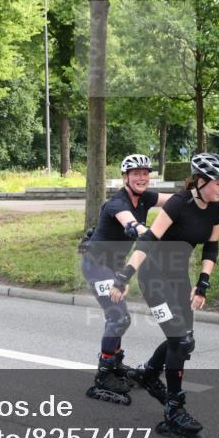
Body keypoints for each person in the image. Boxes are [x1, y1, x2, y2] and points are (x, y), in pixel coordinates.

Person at [109, 152, 219, 438]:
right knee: (180, 339)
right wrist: (125, 276)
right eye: (218, 182)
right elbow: (148, 239)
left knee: (185, 339)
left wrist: (202, 284)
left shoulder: (215, 210)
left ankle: (150, 374)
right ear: (200, 181)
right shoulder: (178, 204)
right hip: (154, 278)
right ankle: (174, 411)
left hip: (179, 279)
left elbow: (211, 250)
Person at [80, 154, 170, 404]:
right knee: (119, 316)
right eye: (136, 173)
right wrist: (147, 233)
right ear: (125, 177)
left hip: (114, 266)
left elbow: (174, 202)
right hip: (97, 266)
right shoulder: (117, 203)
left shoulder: (144, 198)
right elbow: (131, 225)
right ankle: (104, 373)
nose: (142, 177)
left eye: (145, 173)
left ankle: (115, 360)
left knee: (119, 317)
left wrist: (198, 199)